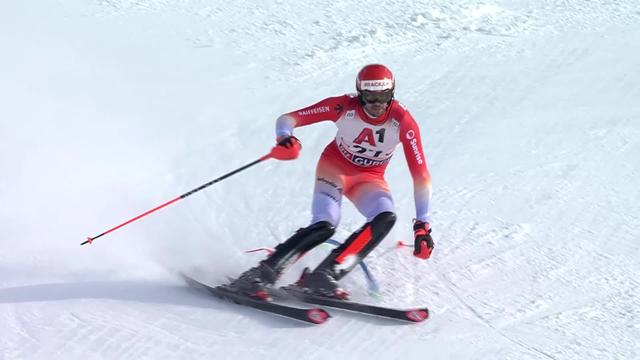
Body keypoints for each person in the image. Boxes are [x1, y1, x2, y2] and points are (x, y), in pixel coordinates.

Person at [230, 64, 434, 300]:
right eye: (370, 96)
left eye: (383, 96)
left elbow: (421, 175)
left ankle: (326, 275)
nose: (377, 104)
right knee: (326, 224)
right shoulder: (343, 106)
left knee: (385, 217)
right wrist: (286, 138)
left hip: (369, 178)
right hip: (334, 169)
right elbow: (288, 119)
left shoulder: (404, 122)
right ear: (360, 94)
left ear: (392, 94)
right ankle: (261, 273)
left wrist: (423, 227)